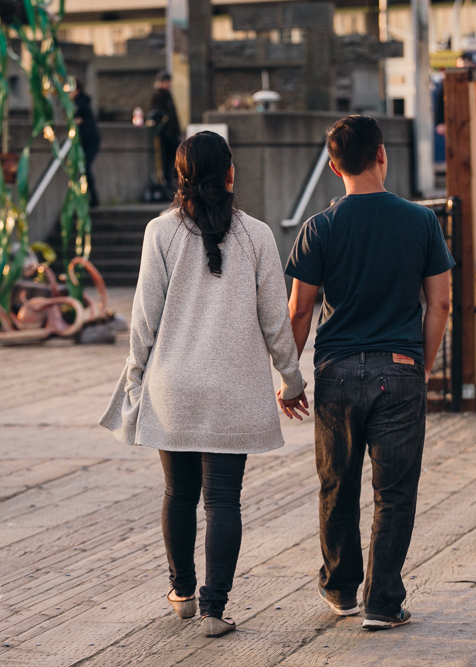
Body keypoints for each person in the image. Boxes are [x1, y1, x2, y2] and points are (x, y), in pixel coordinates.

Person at [99, 131, 307, 637]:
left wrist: (134, 377)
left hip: (174, 388)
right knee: (223, 501)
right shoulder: (257, 235)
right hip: (234, 389)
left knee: (178, 493)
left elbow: (144, 319)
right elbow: (275, 321)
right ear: (230, 174)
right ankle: (215, 610)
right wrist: (293, 379)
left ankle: (182, 593)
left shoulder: (160, 232)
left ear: (180, 176)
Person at [283, 115, 453, 630]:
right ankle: (383, 602)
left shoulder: (320, 227)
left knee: (337, 483)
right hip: (400, 367)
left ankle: (341, 591)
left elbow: (299, 312)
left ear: (334, 168)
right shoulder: (422, 221)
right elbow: (440, 302)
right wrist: (421, 365)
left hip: (336, 374)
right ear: (383, 155)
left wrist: (291, 379)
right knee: (395, 491)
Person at [149, 70, 181, 191]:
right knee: (166, 159)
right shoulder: (158, 95)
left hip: (172, 133)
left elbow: (173, 114)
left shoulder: (168, 95)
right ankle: (168, 183)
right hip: (164, 134)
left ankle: (174, 181)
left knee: (175, 157)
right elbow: (158, 115)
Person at [73, 79, 101, 208]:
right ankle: (90, 196)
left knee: (85, 167)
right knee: (84, 168)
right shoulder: (80, 101)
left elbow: (78, 114)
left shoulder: (80, 102)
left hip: (89, 140)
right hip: (86, 140)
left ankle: (93, 196)